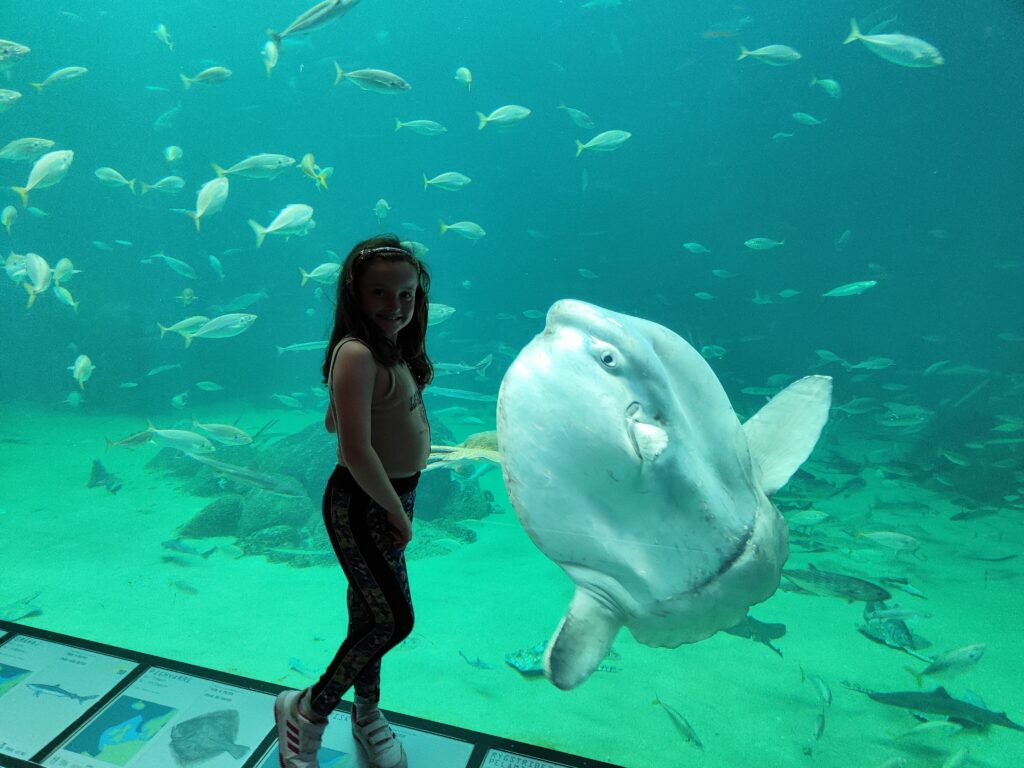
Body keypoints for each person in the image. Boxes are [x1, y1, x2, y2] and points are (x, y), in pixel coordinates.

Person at [274, 235, 433, 768]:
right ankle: (306, 711)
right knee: (393, 621)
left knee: (368, 614)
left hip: (391, 497)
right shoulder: (358, 352)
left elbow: (337, 419)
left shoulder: (390, 348)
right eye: (379, 293)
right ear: (354, 294)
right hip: (365, 505)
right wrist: (394, 511)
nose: (395, 306)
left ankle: (366, 713)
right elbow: (355, 450)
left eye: (406, 294)